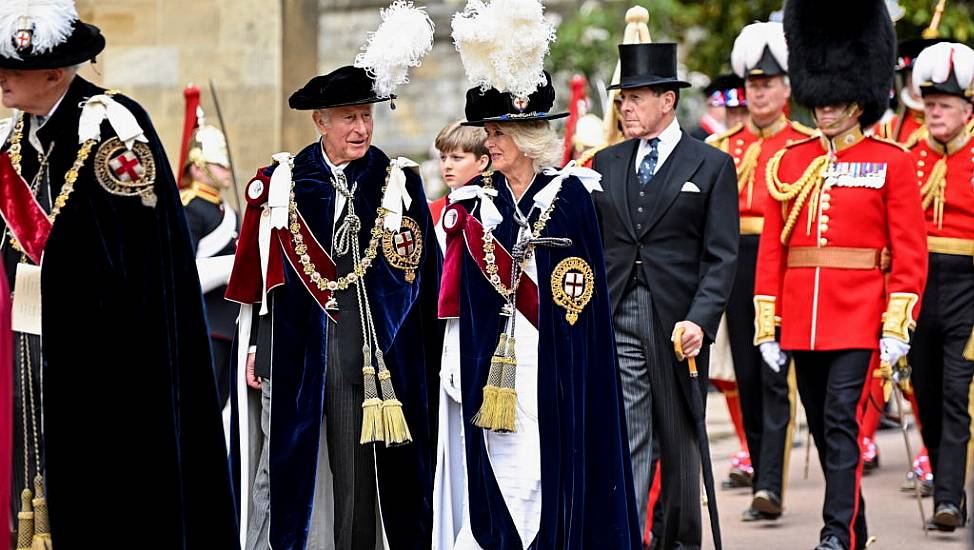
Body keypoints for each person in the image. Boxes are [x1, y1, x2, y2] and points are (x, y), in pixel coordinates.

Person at [0, 1, 238, 547]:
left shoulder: (112, 131)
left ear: (55, 72)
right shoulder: (18, 138)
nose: (3, 79)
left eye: (12, 68)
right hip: (25, 357)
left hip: (104, 367)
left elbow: (143, 269)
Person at [227, 64, 441, 550]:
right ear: (320, 122)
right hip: (296, 349)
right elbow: (267, 277)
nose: (361, 128)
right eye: (348, 118)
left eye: (366, 116)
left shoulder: (394, 182)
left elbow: (416, 276)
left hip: (361, 360)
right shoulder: (288, 181)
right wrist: (260, 344)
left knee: (354, 478)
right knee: (283, 468)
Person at [434, 70, 640, 550]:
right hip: (495, 373)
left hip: (555, 364)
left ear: (527, 137)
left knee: (547, 471)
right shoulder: (477, 204)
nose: (490, 143)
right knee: (502, 470)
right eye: (488, 133)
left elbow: (582, 296)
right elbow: (466, 300)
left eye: (499, 133)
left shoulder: (571, 198)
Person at [755, 2, 928, 548]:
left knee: (840, 425)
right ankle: (854, 529)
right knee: (829, 437)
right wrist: (767, 322)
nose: (824, 110)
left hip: (859, 320)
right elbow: (772, 252)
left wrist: (898, 323)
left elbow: (909, 252)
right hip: (802, 326)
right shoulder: (789, 161)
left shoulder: (892, 161)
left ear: (858, 100)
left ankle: (834, 535)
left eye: (835, 102)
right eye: (819, 101)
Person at [592, 41, 739, 548]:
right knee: (632, 436)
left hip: (679, 322)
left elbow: (721, 258)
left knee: (679, 442)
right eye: (622, 98)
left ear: (667, 101)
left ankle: (677, 541)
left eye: (635, 97)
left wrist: (701, 318)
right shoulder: (605, 163)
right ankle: (628, 538)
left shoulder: (711, 165)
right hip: (617, 311)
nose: (625, 107)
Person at [706, 20, 815, 522]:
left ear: (787, 87)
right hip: (735, 268)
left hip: (786, 269)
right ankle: (759, 472)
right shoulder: (722, 148)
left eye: (768, 83)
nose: (760, 92)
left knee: (776, 379)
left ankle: (770, 485)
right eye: (753, 84)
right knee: (746, 379)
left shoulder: (805, 146)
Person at [905, 41, 974, 533]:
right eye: (929, 104)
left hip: (968, 290)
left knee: (954, 395)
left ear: (968, 108)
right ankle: (944, 477)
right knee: (924, 393)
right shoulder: (907, 156)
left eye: (945, 105)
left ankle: (949, 499)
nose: (934, 113)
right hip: (919, 287)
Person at [179, 88, 239, 406]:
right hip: (203, 325)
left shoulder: (226, 211)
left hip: (228, 324)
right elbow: (183, 271)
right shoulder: (190, 206)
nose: (227, 170)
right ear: (199, 166)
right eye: (219, 164)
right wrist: (231, 267)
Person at [429, 120, 489, 247]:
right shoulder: (433, 210)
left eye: (457, 158)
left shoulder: (497, 207)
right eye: (443, 157)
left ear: (482, 162)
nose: (447, 166)